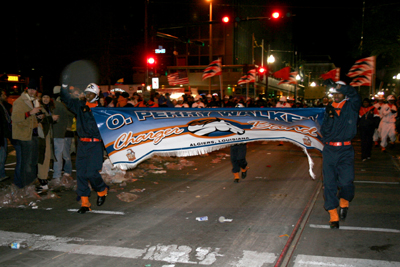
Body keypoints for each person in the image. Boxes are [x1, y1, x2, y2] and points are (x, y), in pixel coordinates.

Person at [61, 82, 108, 214]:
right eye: (86, 93)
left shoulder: (102, 110)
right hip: (82, 144)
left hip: (95, 144)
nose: (87, 95)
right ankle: (85, 203)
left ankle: (102, 190)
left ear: (96, 95)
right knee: (81, 174)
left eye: (90, 93)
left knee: (91, 172)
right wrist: (65, 86)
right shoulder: (80, 106)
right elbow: (66, 99)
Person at [320, 80, 361, 229]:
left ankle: (344, 200)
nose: (336, 95)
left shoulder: (352, 106)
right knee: (329, 184)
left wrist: (341, 86)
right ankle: (333, 214)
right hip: (330, 150)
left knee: (346, 181)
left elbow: (355, 95)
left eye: (339, 92)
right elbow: (324, 128)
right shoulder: (329, 108)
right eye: (334, 93)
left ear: (344, 93)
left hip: (346, 150)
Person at [11, 80, 44, 188]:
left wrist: (39, 117)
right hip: (24, 136)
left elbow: (33, 117)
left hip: (33, 135)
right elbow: (15, 118)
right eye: (30, 89)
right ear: (26, 89)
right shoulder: (20, 101)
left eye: (34, 89)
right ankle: (25, 185)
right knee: (26, 162)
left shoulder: (34, 101)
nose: (31, 91)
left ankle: (31, 183)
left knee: (33, 160)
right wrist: (30, 113)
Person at [36, 90, 60, 193]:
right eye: (44, 97)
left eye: (47, 97)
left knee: (46, 159)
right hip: (42, 137)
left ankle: (43, 180)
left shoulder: (48, 108)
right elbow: (39, 119)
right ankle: (42, 181)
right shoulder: (39, 108)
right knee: (43, 159)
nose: (45, 99)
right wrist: (51, 118)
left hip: (47, 136)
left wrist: (53, 119)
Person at [52, 86, 75, 183]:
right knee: (64, 154)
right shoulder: (66, 102)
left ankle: (66, 172)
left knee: (62, 154)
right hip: (65, 131)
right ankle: (66, 172)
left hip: (63, 131)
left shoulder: (61, 103)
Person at [230, 103, 249, 183]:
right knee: (233, 159)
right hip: (233, 142)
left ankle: (244, 168)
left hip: (242, 142)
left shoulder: (246, 119)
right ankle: (236, 176)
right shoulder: (231, 118)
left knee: (240, 158)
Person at [0, 89, 12, 182]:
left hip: (3, 134)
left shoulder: (3, 105)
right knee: (2, 156)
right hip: (1, 135)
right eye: (3, 95)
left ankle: (2, 174)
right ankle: (1, 175)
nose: (5, 96)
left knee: (3, 155)